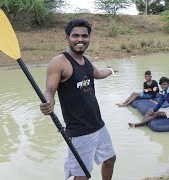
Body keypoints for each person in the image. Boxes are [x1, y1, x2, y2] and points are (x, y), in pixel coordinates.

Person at [39, 19, 116, 180]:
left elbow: (98, 74)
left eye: (84, 36)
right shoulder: (59, 62)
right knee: (82, 176)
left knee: (110, 160)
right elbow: (49, 91)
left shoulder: (86, 60)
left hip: (98, 124)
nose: (80, 39)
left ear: (89, 38)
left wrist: (110, 70)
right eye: (75, 36)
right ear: (67, 38)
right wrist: (48, 103)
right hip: (79, 130)